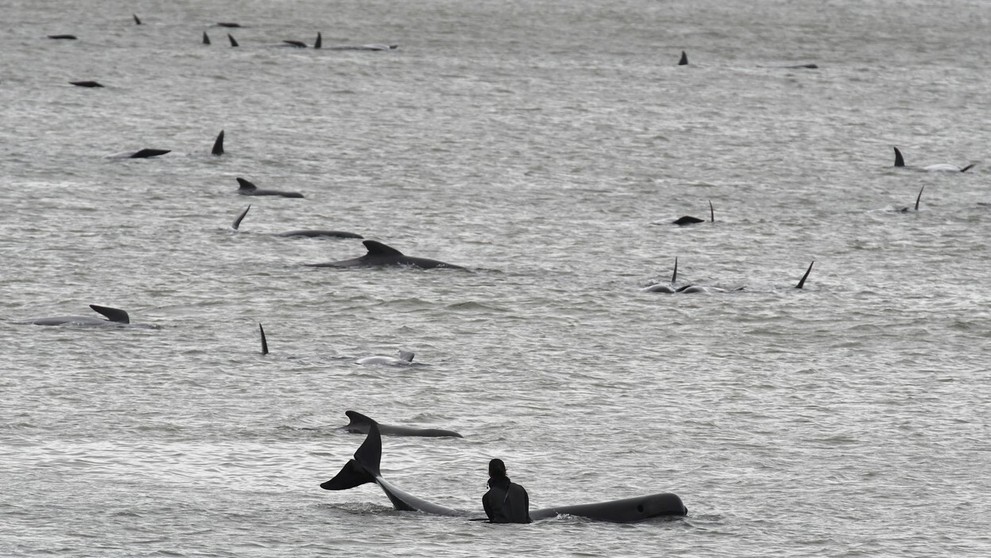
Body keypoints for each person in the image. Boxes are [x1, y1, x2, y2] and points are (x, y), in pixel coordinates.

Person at [482, 458, 532, 523]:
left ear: (489, 473)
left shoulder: (487, 497)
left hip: (502, 530)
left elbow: (493, 521)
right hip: (523, 530)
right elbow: (527, 518)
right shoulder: (521, 490)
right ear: (505, 471)